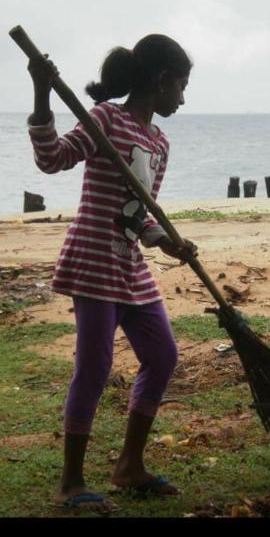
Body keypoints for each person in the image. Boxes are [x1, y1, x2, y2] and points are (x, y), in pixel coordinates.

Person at [27, 34, 198, 510]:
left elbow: (140, 217)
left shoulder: (158, 143)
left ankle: (129, 466)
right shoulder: (106, 119)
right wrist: (42, 92)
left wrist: (170, 242)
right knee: (95, 368)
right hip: (93, 260)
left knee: (162, 355)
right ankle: (70, 482)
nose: (183, 98)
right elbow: (51, 158)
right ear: (161, 81)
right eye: (181, 86)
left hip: (128, 264)